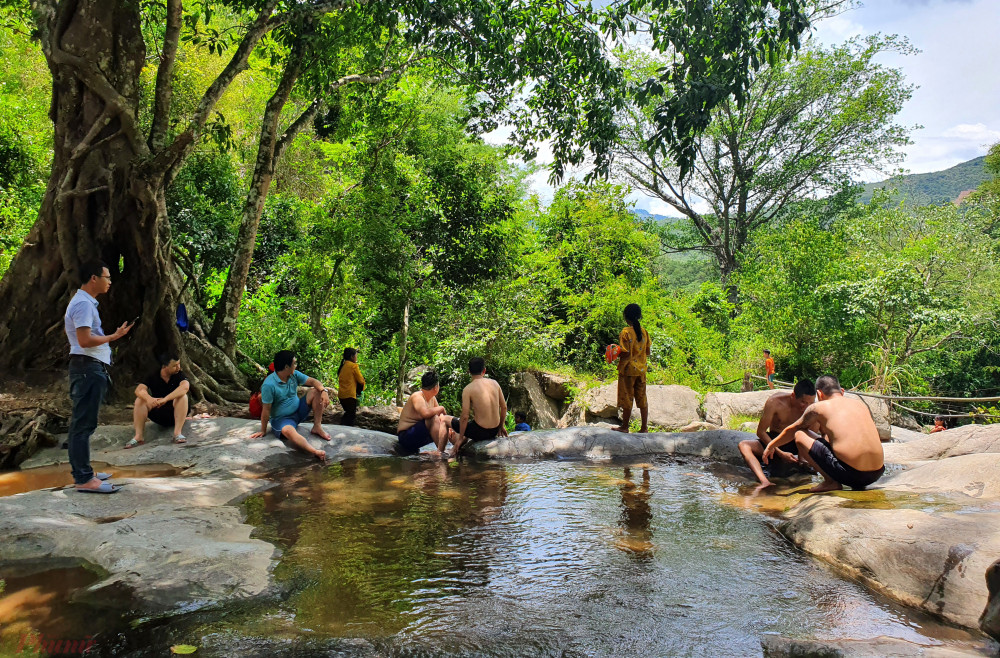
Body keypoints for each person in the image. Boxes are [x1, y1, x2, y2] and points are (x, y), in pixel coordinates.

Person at [64, 260, 134, 493]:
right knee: (82, 425)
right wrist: (113, 337)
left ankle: (85, 472)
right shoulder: (83, 304)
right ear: (94, 278)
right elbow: (84, 341)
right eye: (107, 277)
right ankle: (83, 479)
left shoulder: (85, 303)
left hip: (89, 368)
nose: (110, 281)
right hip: (87, 368)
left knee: (85, 423)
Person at [764, 374, 885, 493]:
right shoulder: (861, 405)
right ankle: (854, 483)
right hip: (877, 473)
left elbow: (793, 430)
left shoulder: (819, 407)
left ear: (819, 394)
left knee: (800, 434)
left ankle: (830, 482)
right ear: (842, 391)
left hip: (851, 474)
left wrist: (771, 446)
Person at [250, 350, 331, 461]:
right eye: (294, 363)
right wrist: (263, 430)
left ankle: (317, 427)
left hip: (298, 411)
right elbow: (266, 410)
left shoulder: (294, 375)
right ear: (287, 367)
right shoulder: (269, 385)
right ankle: (314, 451)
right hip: (282, 420)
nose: (296, 366)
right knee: (288, 431)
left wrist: (323, 390)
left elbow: (313, 381)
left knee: (315, 391)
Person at [737, 379, 816, 489]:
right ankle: (764, 481)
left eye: (811, 403)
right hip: (774, 442)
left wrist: (803, 459)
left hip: (797, 443)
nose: (807, 406)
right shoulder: (775, 402)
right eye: (803, 402)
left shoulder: (813, 409)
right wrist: (780, 452)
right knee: (744, 445)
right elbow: (760, 431)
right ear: (793, 395)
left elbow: (811, 434)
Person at [126, 352, 190, 448]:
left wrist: (165, 399)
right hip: (158, 413)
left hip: (175, 412)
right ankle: (138, 436)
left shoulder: (179, 374)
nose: (178, 367)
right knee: (140, 400)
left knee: (182, 397)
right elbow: (139, 390)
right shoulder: (152, 375)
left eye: (178, 364)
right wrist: (150, 399)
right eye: (174, 366)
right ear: (164, 366)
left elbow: (185, 387)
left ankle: (177, 433)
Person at [450, 357, 509, 456]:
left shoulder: (468, 389)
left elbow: (465, 416)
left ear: (469, 371)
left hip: (479, 432)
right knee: (470, 425)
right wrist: (501, 426)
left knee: (444, 419)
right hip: (494, 431)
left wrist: (460, 439)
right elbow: (504, 407)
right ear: (484, 370)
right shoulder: (495, 383)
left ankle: (441, 452)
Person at [396, 371, 456, 456]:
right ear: (436, 387)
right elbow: (425, 414)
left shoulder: (432, 398)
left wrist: (448, 428)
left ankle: (456, 448)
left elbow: (441, 416)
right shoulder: (417, 396)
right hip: (406, 437)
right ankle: (441, 451)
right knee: (433, 418)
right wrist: (441, 408)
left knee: (448, 425)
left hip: (421, 435)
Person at [613, 303, 651, 434]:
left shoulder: (625, 332)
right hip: (641, 370)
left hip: (628, 370)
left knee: (627, 397)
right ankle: (644, 428)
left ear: (626, 317)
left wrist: (614, 352)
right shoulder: (644, 331)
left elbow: (624, 352)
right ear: (638, 316)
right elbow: (648, 352)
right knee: (642, 398)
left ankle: (624, 427)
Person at [337, 347, 364, 426]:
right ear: (352, 356)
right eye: (356, 356)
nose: (356, 358)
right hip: (350, 395)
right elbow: (361, 380)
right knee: (351, 415)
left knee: (348, 413)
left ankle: (342, 425)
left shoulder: (343, 366)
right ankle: (344, 428)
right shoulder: (353, 366)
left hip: (341, 395)